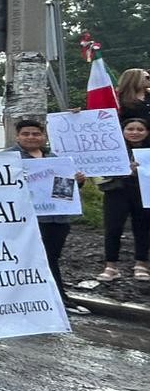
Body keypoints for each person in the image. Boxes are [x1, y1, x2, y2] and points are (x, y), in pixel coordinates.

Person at [13, 118, 88, 314]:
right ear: (17, 136)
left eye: (36, 133)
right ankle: (58, 299)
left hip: (57, 219)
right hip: (26, 221)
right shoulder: (8, 159)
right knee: (36, 259)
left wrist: (77, 182)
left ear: (44, 136)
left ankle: (46, 298)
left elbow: (63, 192)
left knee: (51, 257)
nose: (31, 137)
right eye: (26, 134)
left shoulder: (56, 159)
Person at [98, 116, 150, 282]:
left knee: (143, 228)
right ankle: (111, 266)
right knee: (113, 228)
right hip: (116, 191)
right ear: (122, 131)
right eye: (130, 129)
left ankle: (141, 263)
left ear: (147, 132)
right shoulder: (112, 149)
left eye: (140, 129)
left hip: (144, 193)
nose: (135, 132)